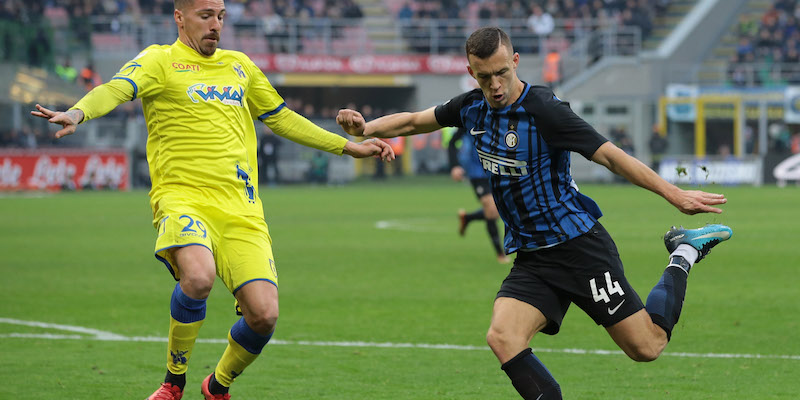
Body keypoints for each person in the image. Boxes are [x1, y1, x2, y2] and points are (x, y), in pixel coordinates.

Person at [337, 27, 732, 400]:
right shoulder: (472, 107)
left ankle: (683, 253)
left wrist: (673, 193)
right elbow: (411, 120)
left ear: (516, 62)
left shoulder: (545, 109)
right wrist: (366, 128)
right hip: (532, 257)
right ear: (470, 71)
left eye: (502, 73)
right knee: (502, 337)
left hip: (578, 248)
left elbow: (611, 156)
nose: (494, 85)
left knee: (647, 347)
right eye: (484, 76)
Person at [31, 1, 394, 399]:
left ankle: (216, 385)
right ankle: (173, 382)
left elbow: (282, 118)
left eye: (221, 16)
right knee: (199, 276)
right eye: (206, 15)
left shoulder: (240, 65)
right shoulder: (159, 60)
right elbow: (116, 89)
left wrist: (347, 146)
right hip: (183, 199)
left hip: (242, 209)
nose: (216, 25)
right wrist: (79, 113)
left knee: (264, 315)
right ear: (180, 16)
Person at [447, 126, 509, 263]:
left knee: (500, 209)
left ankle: (468, 218)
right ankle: (500, 254)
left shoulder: (503, 117)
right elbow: (452, 143)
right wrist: (455, 166)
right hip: (477, 172)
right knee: (491, 208)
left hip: (499, 170)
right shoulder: (471, 117)